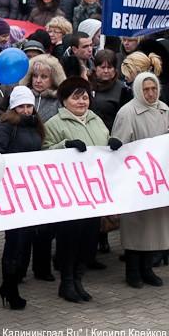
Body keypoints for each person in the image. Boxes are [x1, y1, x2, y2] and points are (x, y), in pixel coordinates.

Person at [43, 77, 118, 303]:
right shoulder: (54, 123)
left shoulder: (96, 120)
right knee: (69, 239)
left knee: (88, 239)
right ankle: (66, 282)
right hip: (70, 193)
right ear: (64, 100)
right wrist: (63, 146)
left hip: (93, 193)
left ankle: (78, 279)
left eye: (85, 96)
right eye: (76, 97)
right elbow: (43, 153)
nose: (81, 101)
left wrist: (114, 143)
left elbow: (104, 144)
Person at [0, 86, 46, 311]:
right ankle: (9, 287)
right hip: (12, 192)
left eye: (28, 105)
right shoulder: (7, 127)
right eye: (21, 106)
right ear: (13, 107)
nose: (25, 110)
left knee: (25, 239)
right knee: (14, 241)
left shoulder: (36, 126)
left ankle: (12, 283)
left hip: (30, 192)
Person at [111, 72, 169, 289]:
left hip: (157, 180)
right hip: (136, 179)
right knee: (136, 226)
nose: (151, 93)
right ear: (137, 90)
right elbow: (119, 145)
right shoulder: (128, 113)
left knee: (154, 227)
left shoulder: (164, 110)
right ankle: (133, 271)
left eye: (154, 89)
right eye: (146, 90)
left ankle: (148, 269)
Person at [91, 49, 132, 131]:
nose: (106, 71)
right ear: (95, 68)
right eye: (102, 67)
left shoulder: (123, 89)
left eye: (109, 67)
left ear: (114, 68)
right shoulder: (88, 85)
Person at [20, 54, 66, 122]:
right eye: (35, 76)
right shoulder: (21, 96)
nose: (38, 81)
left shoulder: (61, 101)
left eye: (44, 77)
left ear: (54, 79)